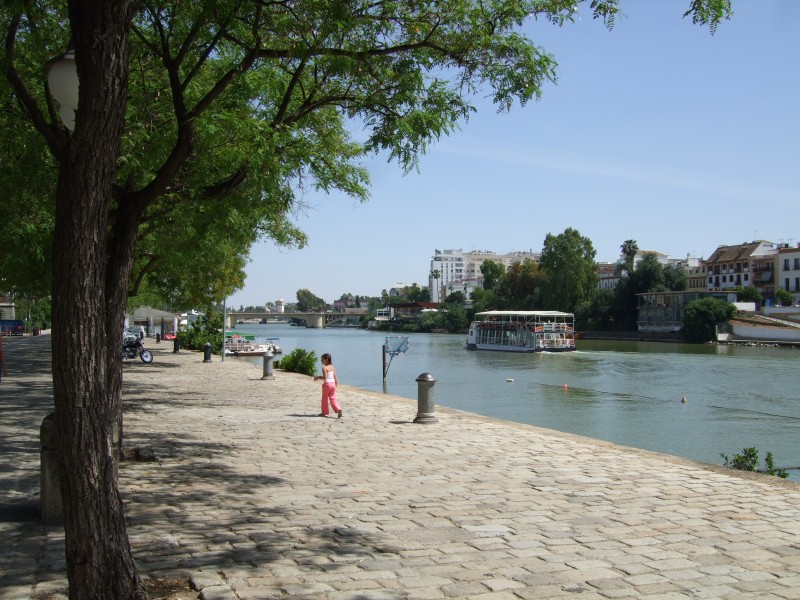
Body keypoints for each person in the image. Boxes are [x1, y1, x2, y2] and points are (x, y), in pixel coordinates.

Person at [314, 353, 342, 418]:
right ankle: (338, 409)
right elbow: (335, 376)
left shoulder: (324, 368)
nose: (321, 361)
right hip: (333, 384)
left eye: (322, 359)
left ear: (326, 359)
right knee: (333, 398)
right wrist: (336, 383)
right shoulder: (332, 367)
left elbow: (325, 377)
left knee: (324, 398)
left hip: (327, 384)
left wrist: (317, 377)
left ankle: (325, 412)